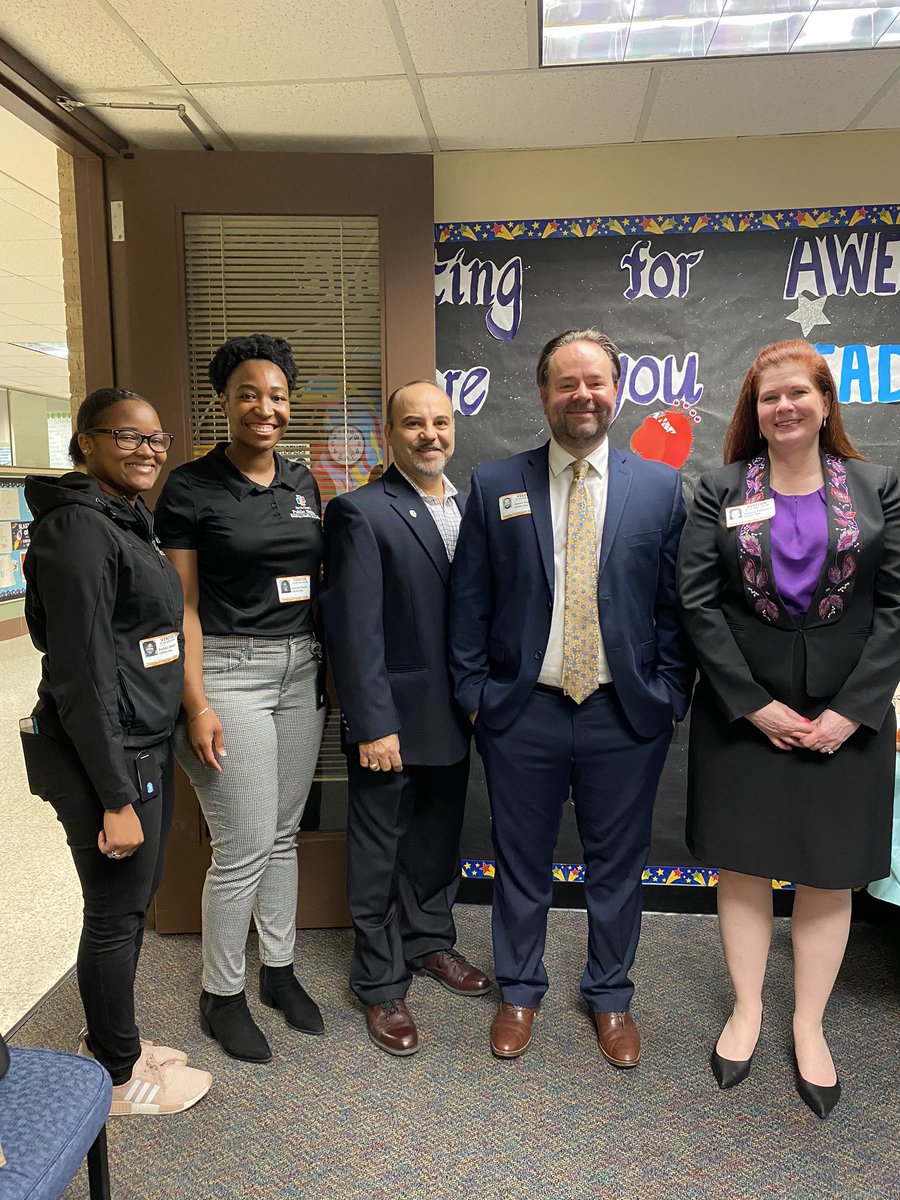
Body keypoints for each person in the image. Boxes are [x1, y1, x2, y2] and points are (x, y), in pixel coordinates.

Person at [450, 330, 692, 1063]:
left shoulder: (658, 486)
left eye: (595, 381)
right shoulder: (497, 483)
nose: (581, 394)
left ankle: (610, 997)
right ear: (543, 391)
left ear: (616, 391)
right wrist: (474, 696)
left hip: (625, 712)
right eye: (566, 382)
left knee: (616, 865)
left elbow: (673, 607)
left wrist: (668, 693)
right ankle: (520, 991)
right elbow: (469, 602)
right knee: (519, 860)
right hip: (524, 711)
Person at [676, 339, 900, 1119]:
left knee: (829, 869)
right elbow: (698, 604)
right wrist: (749, 701)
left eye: (798, 393)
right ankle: (748, 1008)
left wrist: (854, 710)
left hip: (851, 715)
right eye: (770, 397)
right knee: (742, 865)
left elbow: (898, 606)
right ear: (755, 411)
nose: (785, 407)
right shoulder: (719, 489)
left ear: (825, 402)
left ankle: (809, 1024)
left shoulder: (881, 487)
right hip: (744, 715)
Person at [21, 387, 212, 1115]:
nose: (147, 450)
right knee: (115, 911)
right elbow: (80, 676)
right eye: (127, 436)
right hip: (106, 758)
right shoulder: (77, 529)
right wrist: (114, 798)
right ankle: (118, 1074)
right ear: (87, 443)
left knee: (126, 908)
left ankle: (112, 1044)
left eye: (157, 439)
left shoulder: (121, 519)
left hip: (138, 742)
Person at [155, 334, 326, 1063]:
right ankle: (220, 993)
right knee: (243, 846)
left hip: (301, 673)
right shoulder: (191, 488)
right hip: (229, 672)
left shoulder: (302, 481)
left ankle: (279, 972)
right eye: (248, 394)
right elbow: (181, 608)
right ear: (222, 402)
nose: (266, 407)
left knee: (282, 835)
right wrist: (195, 702)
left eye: (278, 395)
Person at [320, 380, 491, 1056]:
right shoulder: (360, 511)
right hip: (390, 722)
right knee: (376, 853)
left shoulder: (473, 508)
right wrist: (371, 722)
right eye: (413, 424)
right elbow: (353, 628)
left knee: (435, 846)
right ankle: (380, 981)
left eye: (440, 423)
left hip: (456, 715)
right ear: (390, 433)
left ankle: (428, 945)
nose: (429, 435)